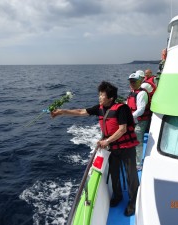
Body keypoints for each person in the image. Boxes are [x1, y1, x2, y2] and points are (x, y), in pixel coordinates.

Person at [51, 81, 139, 216]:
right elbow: (80, 112)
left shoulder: (121, 109)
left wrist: (106, 141)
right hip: (113, 148)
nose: (99, 97)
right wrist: (61, 112)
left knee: (131, 176)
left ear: (111, 98)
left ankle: (133, 203)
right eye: (99, 94)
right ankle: (118, 196)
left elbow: (122, 129)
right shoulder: (99, 108)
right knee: (114, 174)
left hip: (126, 147)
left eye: (102, 95)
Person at [126, 70, 151, 171]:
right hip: (133, 120)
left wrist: (129, 116)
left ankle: (138, 163)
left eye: (134, 81)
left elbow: (140, 110)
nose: (132, 83)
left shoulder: (141, 94)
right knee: (132, 139)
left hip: (140, 121)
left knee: (138, 141)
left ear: (139, 82)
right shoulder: (132, 92)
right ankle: (133, 158)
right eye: (131, 81)